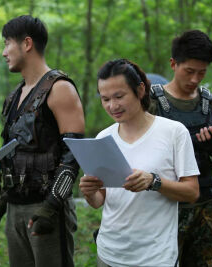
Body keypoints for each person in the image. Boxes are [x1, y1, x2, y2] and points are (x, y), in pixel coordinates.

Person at [0, 15, 85, 267]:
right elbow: (16, 153)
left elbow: (73, 155)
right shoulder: (15, 96)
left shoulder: (59, 88)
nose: (4, 52)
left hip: (47, 209)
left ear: (26, 43)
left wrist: (51, 206)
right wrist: (4, 199)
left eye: (7, 43)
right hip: (17, 209)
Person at [79, 59, 200, 267]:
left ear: (140, 89)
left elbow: (192, 192)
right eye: (105, 99)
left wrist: (154, 181)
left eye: (119, 96)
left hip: (156, 257)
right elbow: (100, 201)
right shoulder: (103, 138)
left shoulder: (173, 132)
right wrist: (90, 192)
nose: (112, 106)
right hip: (109, 254)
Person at [148, 30, 212, 267]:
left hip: (206, 203)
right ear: (173, 64)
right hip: (166, 202)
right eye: (189, 71)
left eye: (202, 72)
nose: (195, 79)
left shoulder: (209, 102)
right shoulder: (153, 103)